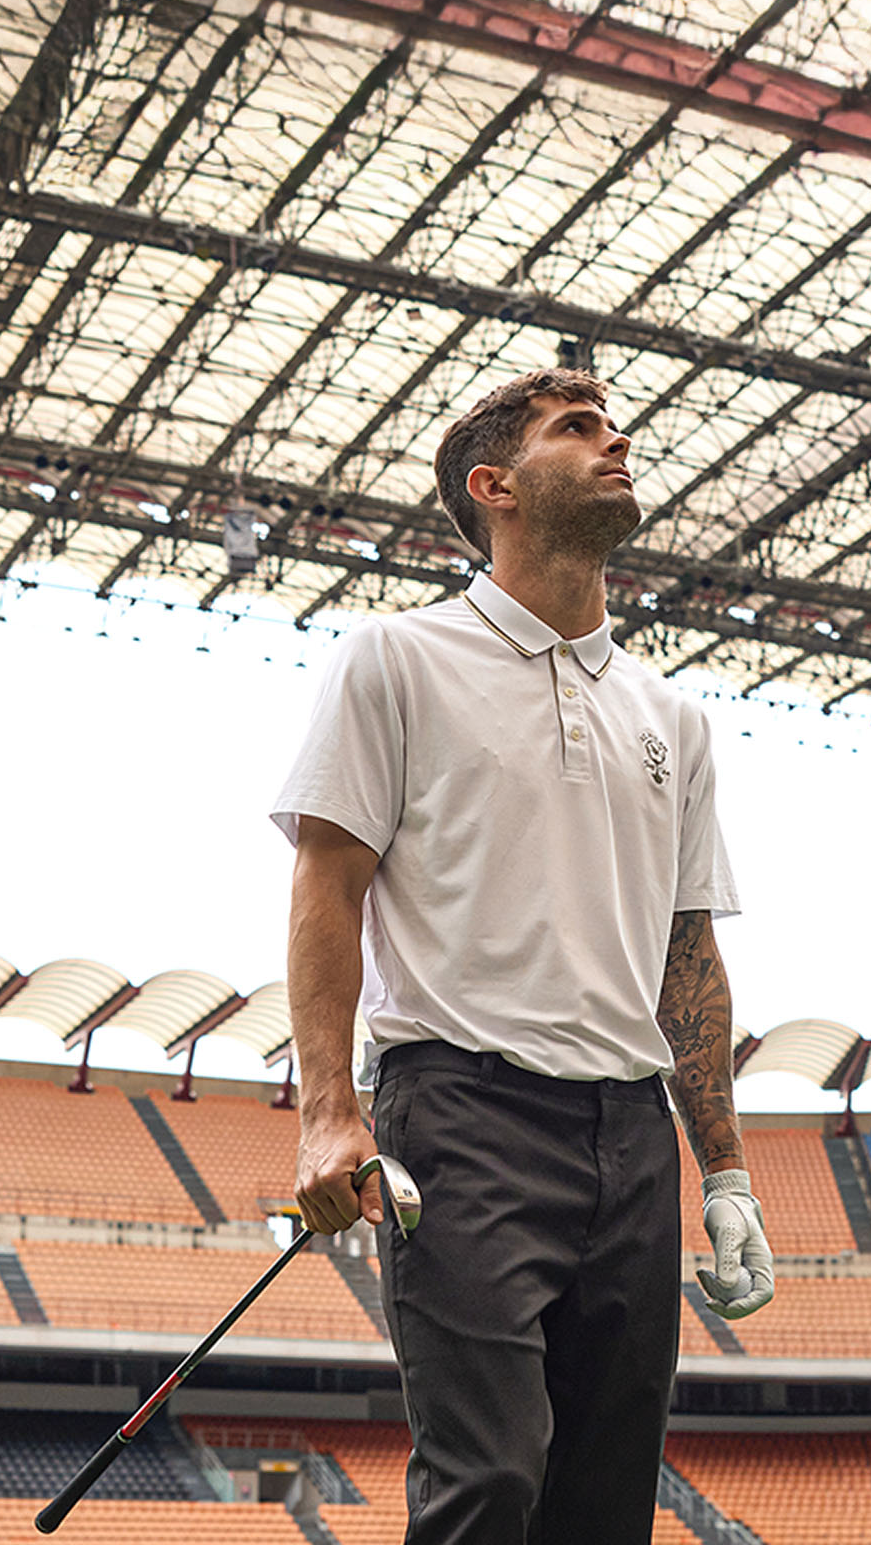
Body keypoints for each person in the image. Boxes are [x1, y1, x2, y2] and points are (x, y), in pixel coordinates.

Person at [275, 367, 778, 1544]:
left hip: (633, 1133)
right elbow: (326, 885)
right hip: (464, 1116)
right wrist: (327, 1112)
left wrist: (727, 1174)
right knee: (490, 1477)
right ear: (494, 486)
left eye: (615, 426)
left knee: (604, 1510)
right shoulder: (395, 658)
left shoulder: (674, 717)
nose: (617, 443)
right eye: (579, 428)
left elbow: (688, 956)